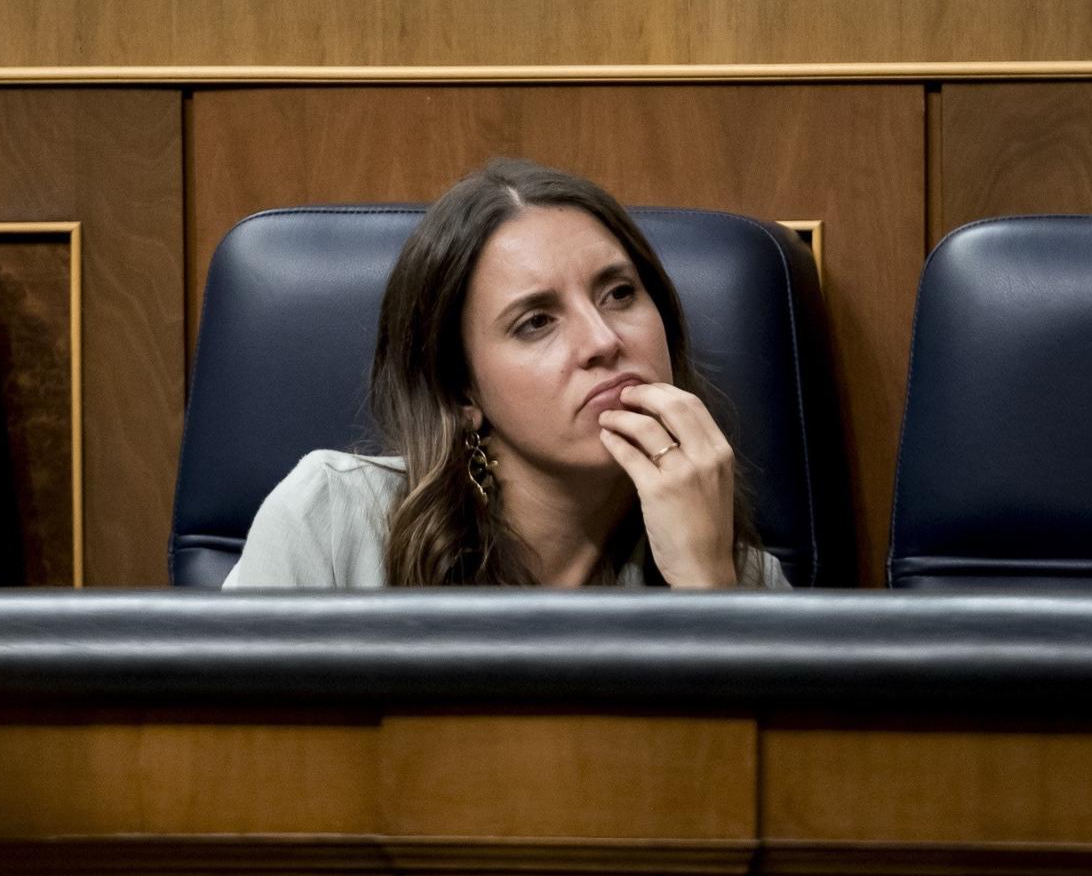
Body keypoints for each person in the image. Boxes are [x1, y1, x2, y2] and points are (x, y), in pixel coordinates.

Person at [223, 159, 788, 589]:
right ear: (460, 388)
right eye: (536, 321)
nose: (602, 341)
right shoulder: (331, 522)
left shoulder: (738, 575)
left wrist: (707, 587)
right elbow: (232, 746)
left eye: (620, 293)